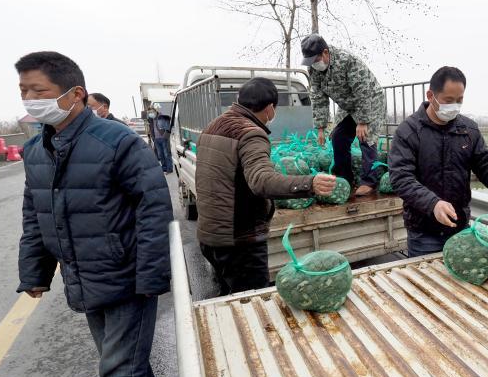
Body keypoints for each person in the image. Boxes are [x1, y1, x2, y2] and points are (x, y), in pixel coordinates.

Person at [16, 51, 174, 377]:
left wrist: (153, 276)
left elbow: (154, 207)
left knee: (118, 366)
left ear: (76, 94)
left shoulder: (117, 142)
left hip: (126, 274)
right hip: (83, 276)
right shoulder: (37, 150)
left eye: (40, 92)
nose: (31, 100)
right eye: (24, 92)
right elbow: (35, 213)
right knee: (123, 358)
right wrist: (35, 271)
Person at [196, 78, 338, 295]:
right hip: (239, 242)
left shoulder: (212, 126)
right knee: (253, 305)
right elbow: (261, 180)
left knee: (229, 301)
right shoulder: (250, 133)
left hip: (210, 235)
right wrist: (310, 183)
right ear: (271, 108)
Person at [389, 66, 488, 257]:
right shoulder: (408, 132)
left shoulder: (468, 130)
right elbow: (401, 178)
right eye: (448, 101)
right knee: (427, 284)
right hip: (423, 232)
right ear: (430, 95)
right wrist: (433, 204)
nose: (454, 106)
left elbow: (487, 164)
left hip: (460, 228)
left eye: (459, 101)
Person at [301, 33, 386, 197]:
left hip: (370, 100)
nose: (313, 65)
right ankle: (344, 177)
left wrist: (362, 122)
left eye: (315, 60)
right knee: (338, 136)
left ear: (325, 53)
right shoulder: (313, 69)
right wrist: (320, 127)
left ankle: (369, 181)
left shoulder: (347, 61)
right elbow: (318, 97)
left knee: (366, 138)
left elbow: (363, 92)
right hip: (347, 105)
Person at [148, 103, 173, 174]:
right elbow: (151, 129)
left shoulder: (162, 117)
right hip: (156, 139)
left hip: (163, 139)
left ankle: (169, 169)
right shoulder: (151, 119)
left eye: (152, 112)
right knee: (160, 155)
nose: (151, 114)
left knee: (166, 154)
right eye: (149, 113)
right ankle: (164, 168)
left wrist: (165, 137)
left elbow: (168, 128)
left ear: (156, 111)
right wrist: (153, 138)